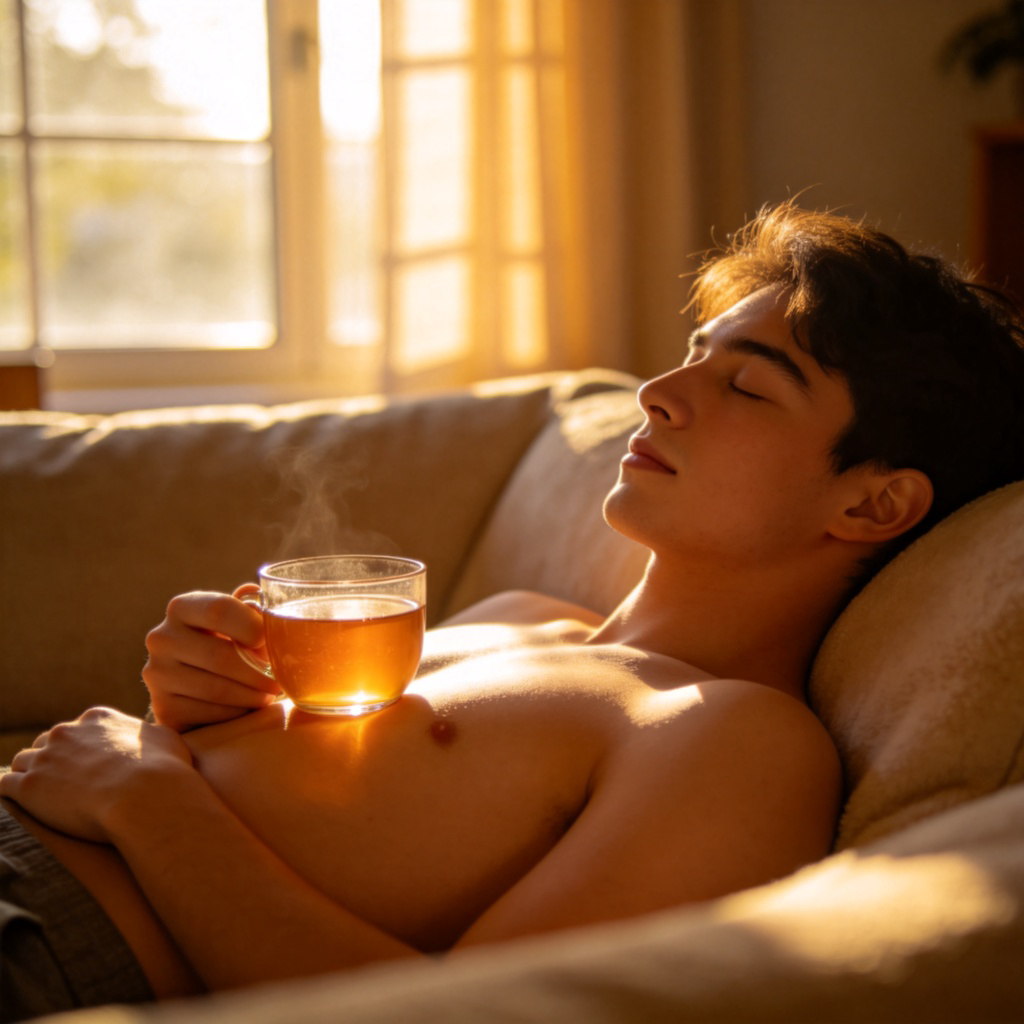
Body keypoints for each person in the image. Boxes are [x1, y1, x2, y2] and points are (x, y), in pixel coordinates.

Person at [3, 201, 1024, 1019]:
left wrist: (148, 800)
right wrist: (201, 706)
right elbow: (324, 819)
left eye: (747, 387)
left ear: (873, 501)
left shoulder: (732, 739)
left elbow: (459, 1010)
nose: (660, 392)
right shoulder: (520, 613)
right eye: (690, 354)